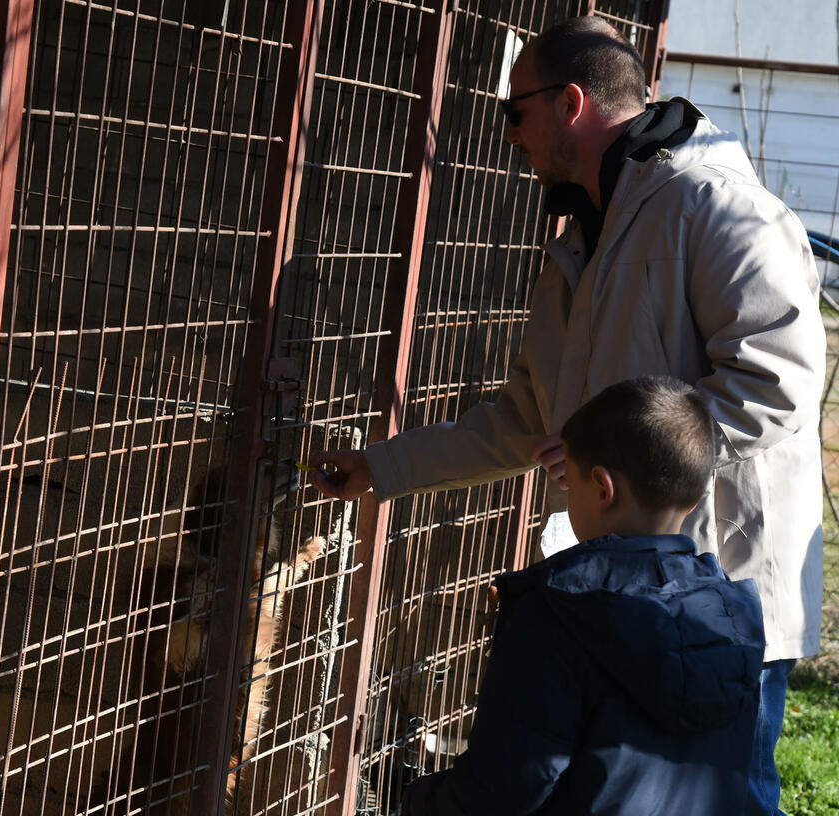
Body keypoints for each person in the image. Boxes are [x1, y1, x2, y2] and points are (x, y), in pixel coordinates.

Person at [309, 16, 824, 816]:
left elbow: (782, 380)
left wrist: (629, 452)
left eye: (515, 111)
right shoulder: (586, 233)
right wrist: (383, 466)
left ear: (572, 103)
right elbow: (526, 416)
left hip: (718, 599)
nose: (507, 134)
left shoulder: (715, 205)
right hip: (625, 599)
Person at [399, 376, 766, 816]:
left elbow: (508, 785)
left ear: (603, 487)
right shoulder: (733, 614)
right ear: (693, 498)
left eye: (569, 484)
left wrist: (416, 800)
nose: (567, 496)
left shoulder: (560, 611)